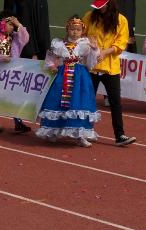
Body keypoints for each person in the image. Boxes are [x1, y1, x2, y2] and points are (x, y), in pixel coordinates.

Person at [84, 0, 136, 147]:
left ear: (111, 3)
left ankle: (119, 135)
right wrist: (87, 43)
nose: (100, 8)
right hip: (91, 67)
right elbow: (81, 35)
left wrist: (106, 51)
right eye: (98, 5)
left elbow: (121, 44)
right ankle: (85, 131)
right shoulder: (89, 17)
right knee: (87, 100)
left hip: (110, 67)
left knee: (115, 102)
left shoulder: (121, 20)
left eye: (103, 5)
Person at [35, 15, 99, 147]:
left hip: (79, 77)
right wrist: (52, 65)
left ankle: (80, 135)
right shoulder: (58, 44)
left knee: (79, 103)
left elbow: (90, 63)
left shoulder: (85, 44)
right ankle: (53, 132)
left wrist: (94, 49)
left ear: (82, 31)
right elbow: (50, 57)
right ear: (67, 29)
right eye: (72, 29)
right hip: (62, 76)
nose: (75, 32)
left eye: (78, 29)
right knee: (57, 101)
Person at [0, 15, 30, 133]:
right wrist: (2, 58)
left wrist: (19, 25)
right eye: (10, 24)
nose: (12, 28)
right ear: (2, 23)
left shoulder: (14, 37)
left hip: (11, 73)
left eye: (13, 26)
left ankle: (18, 122)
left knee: (13, 96)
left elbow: (25, 38)